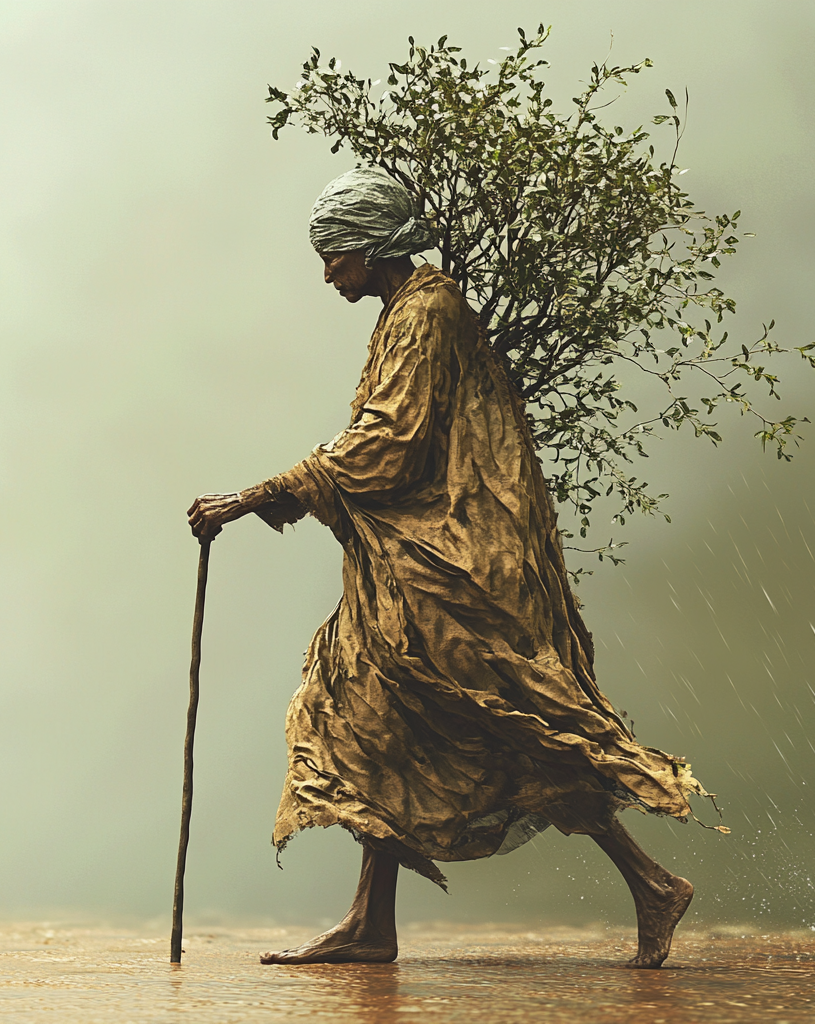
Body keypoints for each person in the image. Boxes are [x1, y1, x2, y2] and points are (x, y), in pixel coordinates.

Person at [188, 167, 711, 968]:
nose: (327, 272)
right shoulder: (409, 310)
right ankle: (371, 921)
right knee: (374, 720)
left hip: (450, 571)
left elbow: (387, 444)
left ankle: (650, 883)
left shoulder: (427, 312)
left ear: (371, 246)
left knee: (501, 724)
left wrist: (252, 497)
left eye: (334, 254)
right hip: (411, 563)